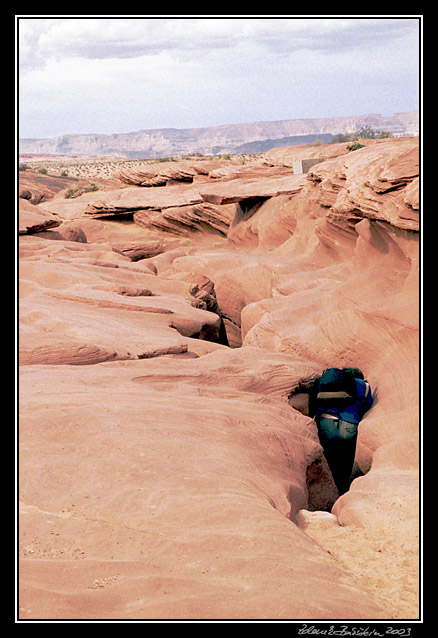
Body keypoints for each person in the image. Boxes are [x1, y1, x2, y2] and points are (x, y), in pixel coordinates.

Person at [314, 367, 373, 495]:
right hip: (349, 425)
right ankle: (345, 490)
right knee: (346, 459)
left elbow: (316, 402)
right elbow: (368, 404)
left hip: (327, 423)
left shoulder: (326, 382)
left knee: (329, 458)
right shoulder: (364, 386)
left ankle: (330, 491)